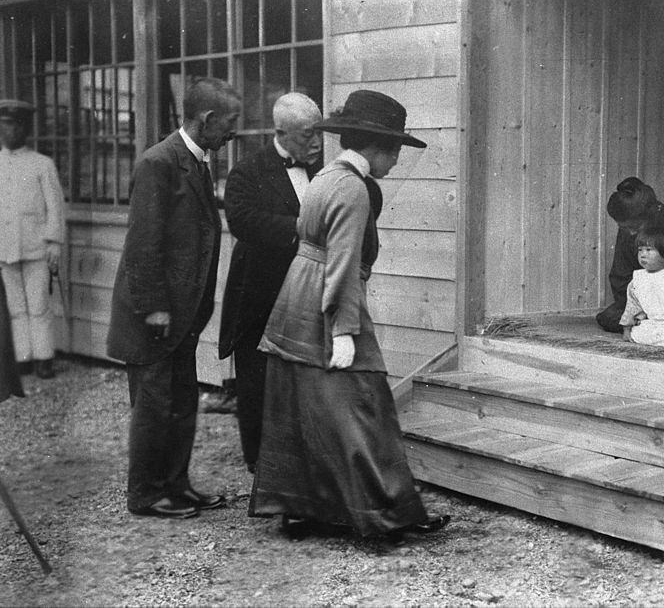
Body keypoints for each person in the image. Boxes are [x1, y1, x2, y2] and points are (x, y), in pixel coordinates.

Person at [251, 90, 449, 540]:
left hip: (295, 299)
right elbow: (341, 263)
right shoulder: (354, 189)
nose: (395, 163)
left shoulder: (324, 176)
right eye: (394, 152)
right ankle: (386, 513)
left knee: (304, 408)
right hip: (327, 303)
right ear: (377, 148)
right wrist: (344, 331)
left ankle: (301, 510)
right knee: (366, 406)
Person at [108, 77, 240, 519]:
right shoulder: (158, 163)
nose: (233, 132)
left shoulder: (196, 160)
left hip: (181, 315)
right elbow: (143, 244)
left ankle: (177, 485)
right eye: (230, 122)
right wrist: (156, 307)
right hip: (155, 315)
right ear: (206, 120)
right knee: (154, 406)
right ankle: (147, 494)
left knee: (181, 402)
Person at [218, 93, 324, 474]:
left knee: (304, 375)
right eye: (306, 136)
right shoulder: (248, 171)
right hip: (261, 290)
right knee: (257, 375)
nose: (316, 144)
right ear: (280, 133)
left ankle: (303, 455)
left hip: (310, 288)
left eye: (319, 134)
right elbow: (244, 221)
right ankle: (260, 460)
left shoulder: (325, 170)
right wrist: (304, 230)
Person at [0, 99, 65, 379]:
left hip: (36, 247)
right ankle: (23, 358)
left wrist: (54, 242)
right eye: (4, 126)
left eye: (15, 126)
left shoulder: (42, 164)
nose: (9, 132)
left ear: (25, 129)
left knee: (39, 305)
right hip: (5, 248)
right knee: (16, 307)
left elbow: (55, 206)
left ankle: (43, 358)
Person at [596, 177, 664, 334]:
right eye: (624, 227)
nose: (630, 233)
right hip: (643, 303)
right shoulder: (627, 231)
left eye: (634, 227)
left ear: (649, 214)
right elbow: (620, 277)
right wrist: (640, 303)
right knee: (608, 317)